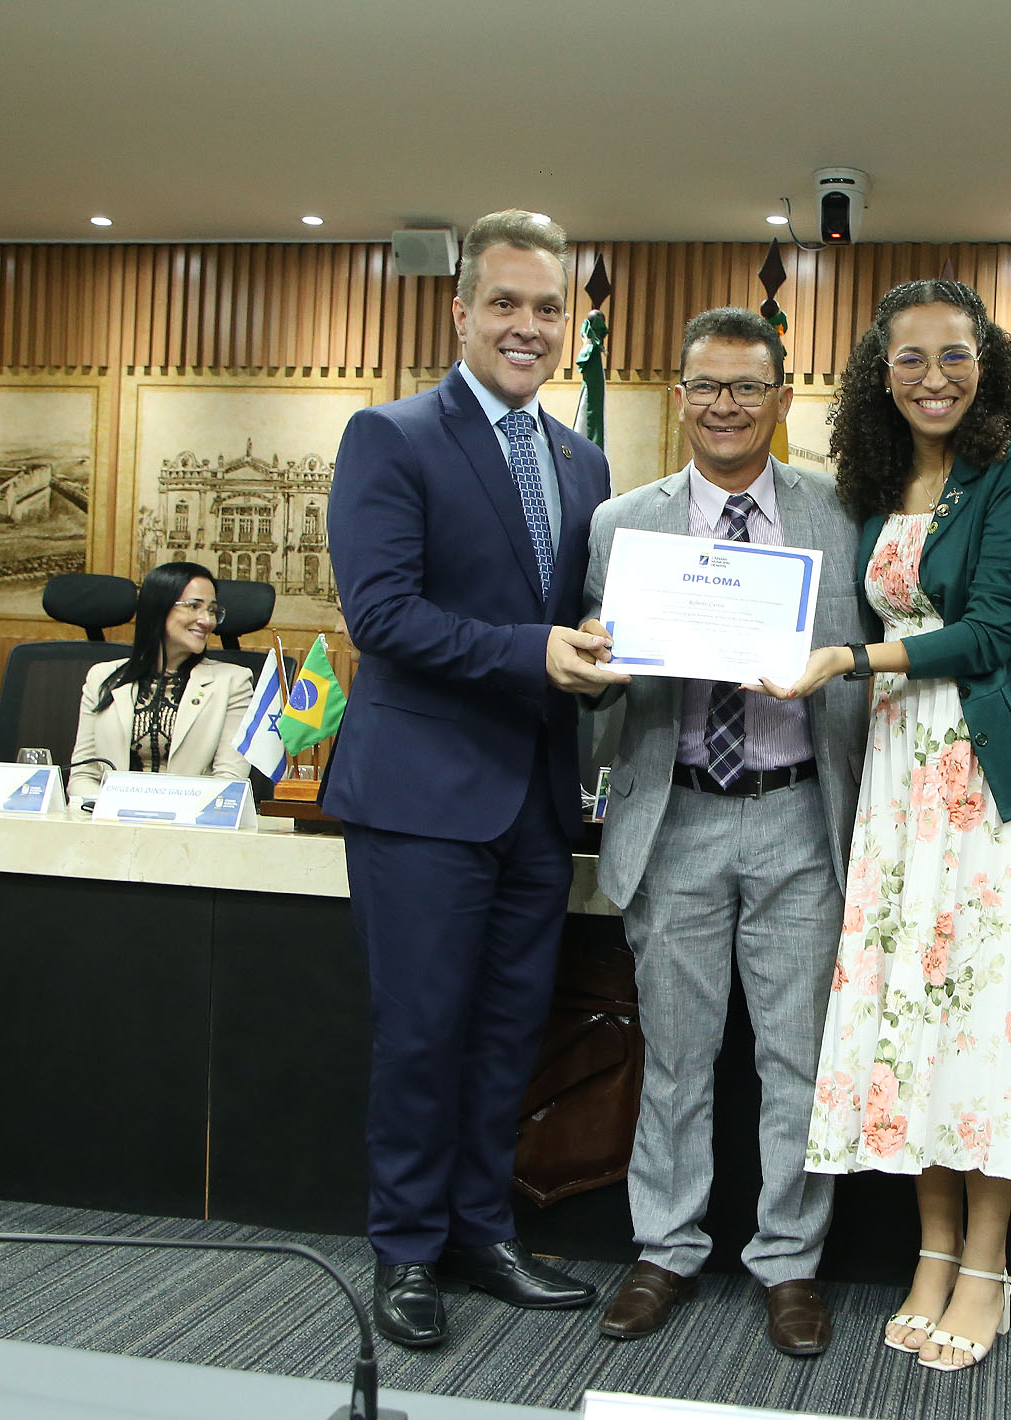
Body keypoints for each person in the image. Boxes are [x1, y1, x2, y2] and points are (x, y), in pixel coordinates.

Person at [768, 279, 1011, 1373]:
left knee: (996, 1019)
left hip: (1000, 782)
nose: (933, 377)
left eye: (954, 354)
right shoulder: (872, 483)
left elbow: (998, 627)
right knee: (912, 1012)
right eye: (909, 358)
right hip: (901, 777)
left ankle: (987, 1262)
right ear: (880, 374)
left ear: (986, 360)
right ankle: (933, 1249)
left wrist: (850, 658)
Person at [323, 211, 621, 1350]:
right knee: (421, 1035)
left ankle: (483, 1230)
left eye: (547, 308)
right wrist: (535, 653)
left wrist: (610, 653)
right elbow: (383, 615)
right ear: (460, 311)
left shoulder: (584, 462)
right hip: (420, 798)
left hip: (537, 801)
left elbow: (574, 622)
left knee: (508, 1033)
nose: (527, 326)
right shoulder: (391, 436)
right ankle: (405, 1247)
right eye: (505, 303)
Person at [579, 308, 875, 1355]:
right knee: (674, 1055)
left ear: (782, 399)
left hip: (801, 815)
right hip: (677, 817)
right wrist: (601, 660)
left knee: (798, 1060)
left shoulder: (843, 514)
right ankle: (664, 1247)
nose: (725, 406)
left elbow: (875, 658)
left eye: (747, 386)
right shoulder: (623, 524)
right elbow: (594, 688)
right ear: (678, 398)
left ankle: (789, 1262)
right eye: (705, 385)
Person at [66, 561, 252, 808]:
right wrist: (119, 809)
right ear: (159, 608)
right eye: (194, 606)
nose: (207, 620)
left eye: (212, 610)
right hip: (111, 822)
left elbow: (230, 782)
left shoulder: (234, 683)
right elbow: (83, 777)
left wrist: (162, 812)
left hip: (191, 823)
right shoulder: (102, 678)